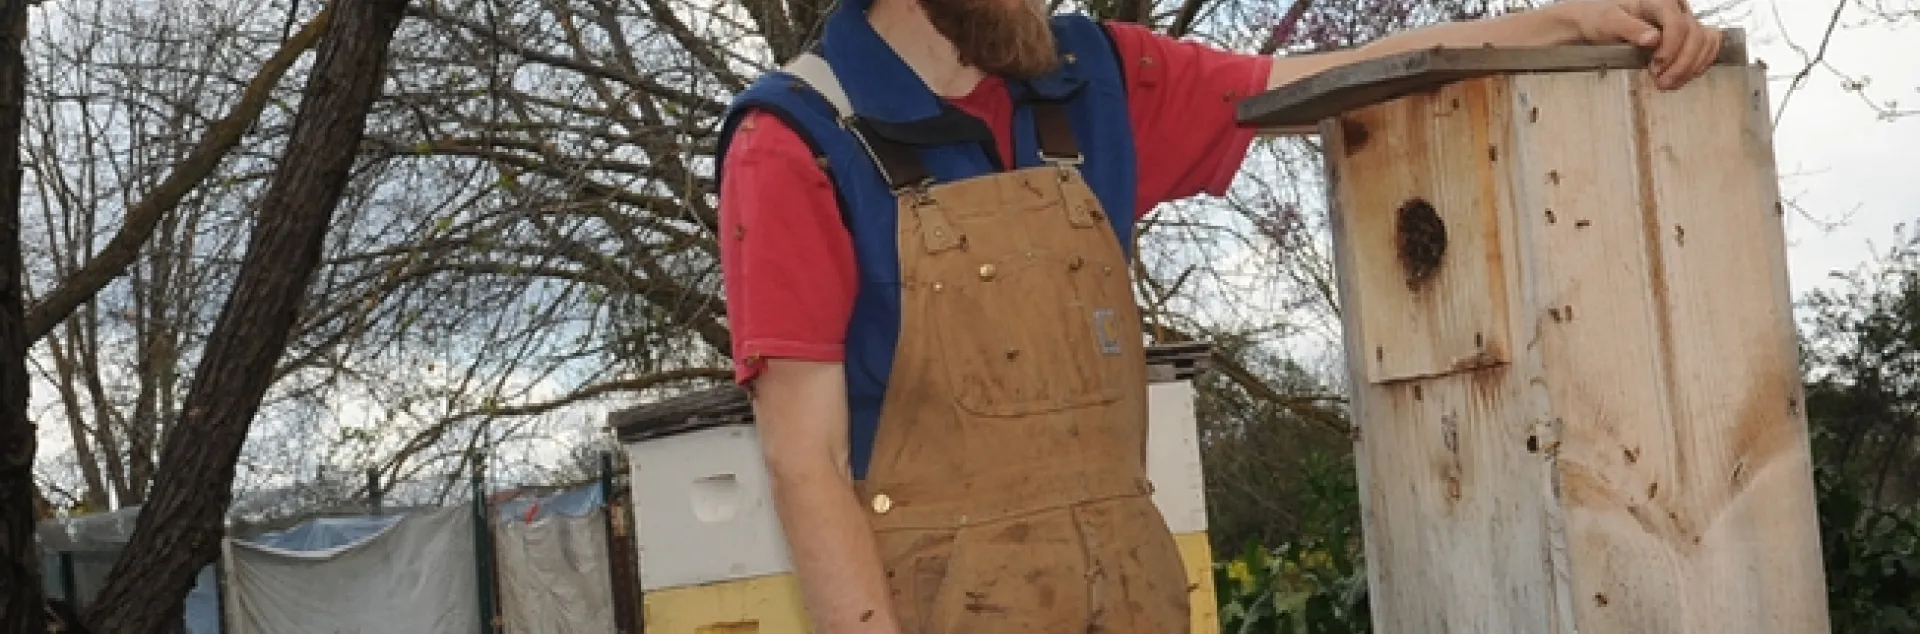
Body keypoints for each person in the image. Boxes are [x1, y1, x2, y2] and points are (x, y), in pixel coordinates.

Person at [712, 0, 1722, 631]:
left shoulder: (1096, 77)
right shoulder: (791, 140)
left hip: (1133, 601)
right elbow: (803, 461)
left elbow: (1318, 80)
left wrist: (1560, 22)